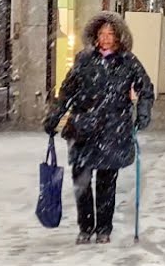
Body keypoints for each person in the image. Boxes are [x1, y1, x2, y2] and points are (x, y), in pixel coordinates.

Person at [43, 12, 154, 245]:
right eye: (102, 33)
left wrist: (142, 113)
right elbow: (68, 91)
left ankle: (104, 228)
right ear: (95, 35)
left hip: (112, 130)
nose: (105, 38)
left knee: (106, 183)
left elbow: (145, 88)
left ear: (118, 37)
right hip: (83, 130)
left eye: (110, 34)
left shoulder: (128, 61)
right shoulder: (83, 59)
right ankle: (85, 227)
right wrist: (54, 116)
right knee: (81, 182)